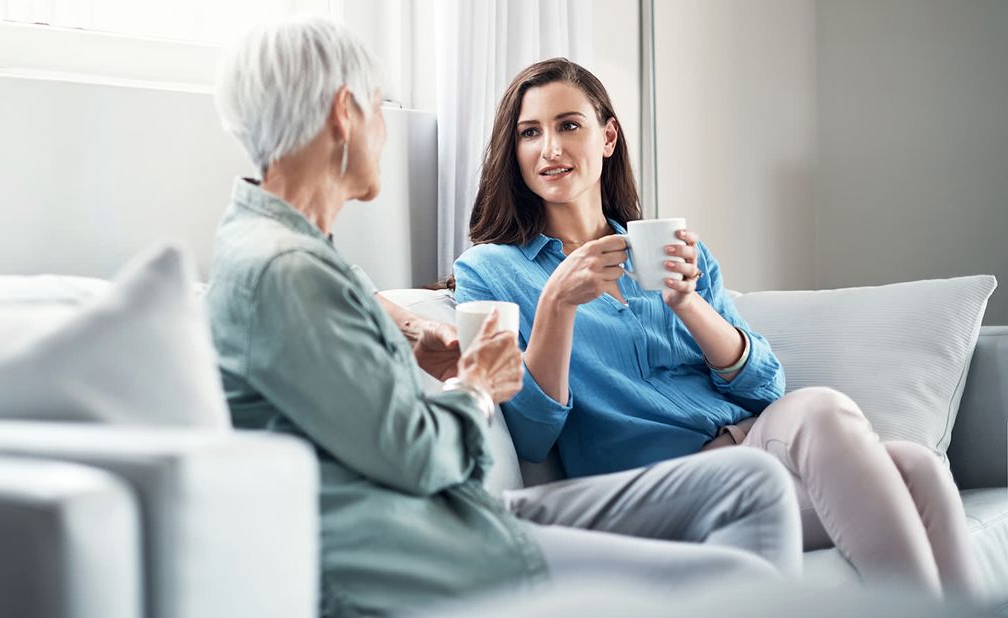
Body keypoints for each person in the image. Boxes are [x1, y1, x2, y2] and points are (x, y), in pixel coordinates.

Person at [205, 19, 803, 618]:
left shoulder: (277, 249)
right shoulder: (288, 268)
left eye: (571, 126)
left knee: (755, 482)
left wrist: (410, 333)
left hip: (456, 518)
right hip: (428, 544)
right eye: (378, 109)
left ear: (608, 137)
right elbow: (416, 455)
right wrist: (477, 387)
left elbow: (336, 314)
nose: (382, 130)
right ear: (344, 113)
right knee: (736, 570)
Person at [453, 57, 984, 601]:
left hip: (755, 441)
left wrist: (687, 302)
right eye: (529, 133)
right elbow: (533, 436)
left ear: (607, 136)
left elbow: (763, 389)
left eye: (569, 125)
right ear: (513, 151)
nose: (550, 150)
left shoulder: (675, 254)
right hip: (671, 486)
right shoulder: (490, 271)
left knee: (914, 462)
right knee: (858, 435)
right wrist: (558, 305)